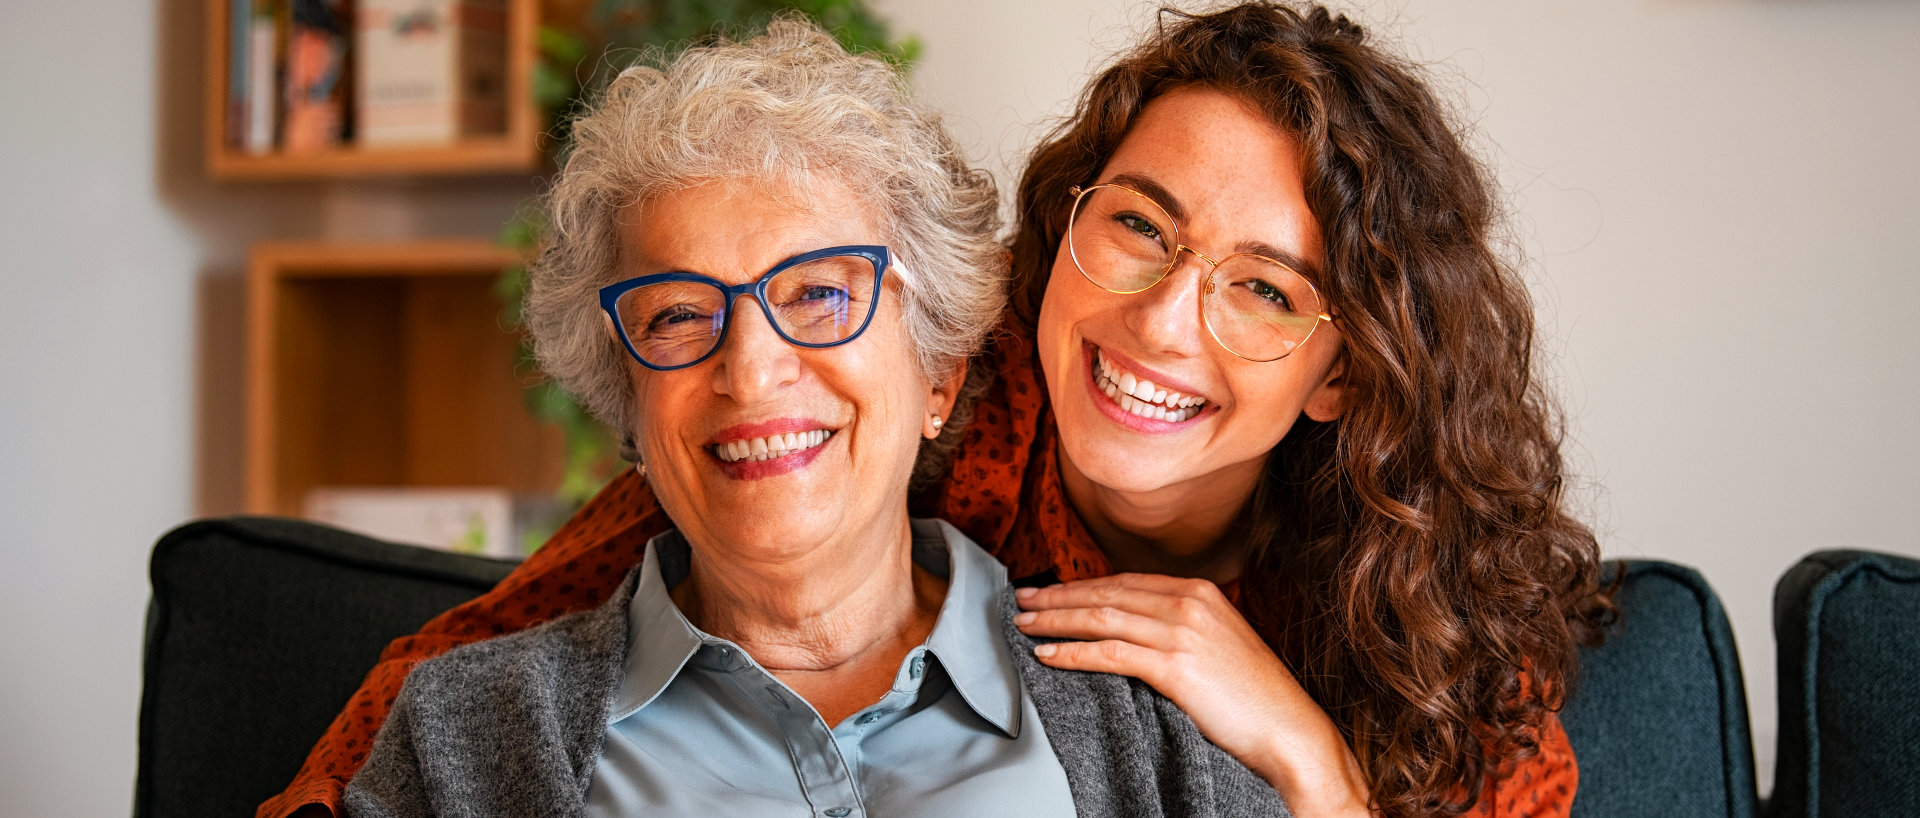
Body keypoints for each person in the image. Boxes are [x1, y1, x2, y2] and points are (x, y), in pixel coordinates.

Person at [264, 5, 1609, 818]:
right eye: (1137, 225)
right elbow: (502, 649)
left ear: (1344, 371)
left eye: (1264, 288)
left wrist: (1307, 758)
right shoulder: (899, 407)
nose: (1158, 321)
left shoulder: (1415, 629)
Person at [338, 19, 1284, 818]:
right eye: (678, 313)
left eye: (822, 295)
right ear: (629, 397)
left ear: (941, 377)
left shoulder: (1154, 720)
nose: (749, 372)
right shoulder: (466, 734)